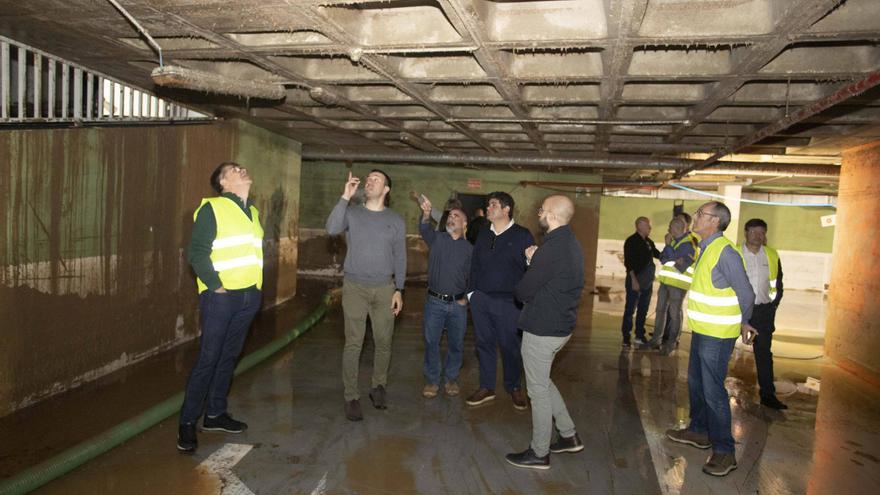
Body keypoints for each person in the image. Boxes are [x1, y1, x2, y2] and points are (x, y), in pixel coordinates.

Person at [666, 201, 757, 477]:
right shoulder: (704, 247)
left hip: (717, 335)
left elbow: (747, 293)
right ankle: (699, 431)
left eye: (700, 214)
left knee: (713, 391)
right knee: (695, 382)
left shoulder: (725, 253)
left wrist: (745, 321)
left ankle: (724, 451)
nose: (695, 217)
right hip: (703, 330)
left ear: (715, 221)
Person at [178, 162, 264, 453]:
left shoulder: (251, 212)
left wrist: (255, 291)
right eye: (234, 169)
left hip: (248, 296)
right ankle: (188, 422)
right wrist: (217, 286)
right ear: (223, 183)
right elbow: (197, 253)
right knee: (209, 357)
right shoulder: (212, 208)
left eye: (242, 167)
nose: (242, 169)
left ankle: (215, 414)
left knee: (229, 356)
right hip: (222, 297)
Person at [505, 195, 585, 470]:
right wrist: (537, 261)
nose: (538, 213)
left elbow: (524, 291)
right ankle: (568, 435)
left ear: (550, 214)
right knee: (543, 380)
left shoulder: (551, 248)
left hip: (542, 327)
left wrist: (530, 263)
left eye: (541, 209)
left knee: (536, 390)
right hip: (560, 326)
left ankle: (539, 452)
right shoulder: (568, 243)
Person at [326, 170, 406, 421]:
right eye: (368, 179)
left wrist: (399, 289)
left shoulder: (396, 220)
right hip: (355, 287)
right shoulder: (352, 212)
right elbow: (331, 229)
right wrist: (344, 197)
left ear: (386, 189)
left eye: (376, 180)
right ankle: (351, 396)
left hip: (384, 288)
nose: (370, 182)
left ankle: (378, 386)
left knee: (384, 341)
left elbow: (400, 256)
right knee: (354, 342)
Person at [466, 192, 534, 410]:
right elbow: (474, 264)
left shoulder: (523, 235)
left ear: (506, 210)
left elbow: (530, 269)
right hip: (481, 299)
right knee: (483, 344)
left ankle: (514, 386)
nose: (488, 208)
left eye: (493, 205)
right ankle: (486, 387)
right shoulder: (484, 234)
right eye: (488, 205)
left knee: (509, 346)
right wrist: (471, 294)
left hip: (509, 302)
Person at [418, 198, 473, 398]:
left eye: (456, 216)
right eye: (449, 216)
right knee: (432, 342)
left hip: (458, 306)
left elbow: (473, 277)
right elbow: (424, 229)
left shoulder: (469, 249)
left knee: (456, 344)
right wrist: (425, 214)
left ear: (464, 224)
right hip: (434, 302)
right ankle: (432, 380)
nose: (451, 218)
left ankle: (451, 378)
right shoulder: (438, 239)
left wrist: (466, 298)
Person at [739, 218, 787, 410]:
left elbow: (778, 284)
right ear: (746, 232)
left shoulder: (771, 255)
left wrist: (772, 305)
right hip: (736, 309)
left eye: (762, 232)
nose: (758, 236)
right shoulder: (734, 253)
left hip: (763, 312)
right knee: (723, 350)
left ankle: (768, 395)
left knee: (764, 353)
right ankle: (715, 393)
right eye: (754, 232)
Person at [646, 217, 695, 354]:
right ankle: (656, 340)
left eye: (670, 227)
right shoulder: (674, 242)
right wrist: (672, 256)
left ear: (676, 228)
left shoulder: (689, 243)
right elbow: (662, 259)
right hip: (665, 282)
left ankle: (671, 344)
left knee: (674, 314)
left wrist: (668, 247)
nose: (668, 230)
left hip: (678, 285)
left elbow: (681, 265)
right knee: (660, 311)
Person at [621, 217, 660, 347]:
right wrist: (634, 281)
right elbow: (629, 263)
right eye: (648, 225)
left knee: (643, 309)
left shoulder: (648, 242)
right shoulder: (631, 241)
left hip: (647, 282)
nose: (650, 228)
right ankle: (626, 336)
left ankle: (639, 335)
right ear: (639, 226)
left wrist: (672, 252)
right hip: (635, 280)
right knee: (630, 309)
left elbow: (657, 254)